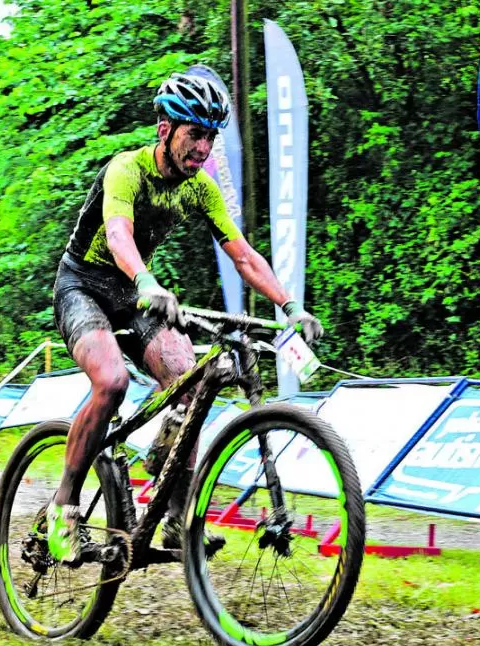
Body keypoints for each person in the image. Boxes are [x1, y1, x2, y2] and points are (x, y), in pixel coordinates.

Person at [47, 72, 324, 562]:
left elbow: (243, 256)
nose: (203, 147)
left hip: (133, 292)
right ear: (164, 130)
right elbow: (118, 235)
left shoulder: (200, 188)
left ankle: (176, 517)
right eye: (195, 134)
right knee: (111, 383)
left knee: (189, 381)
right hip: (83, 286)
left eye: (211, 137)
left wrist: (290, 305)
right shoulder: (125, 171)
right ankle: (62, 509)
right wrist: (146, 282)